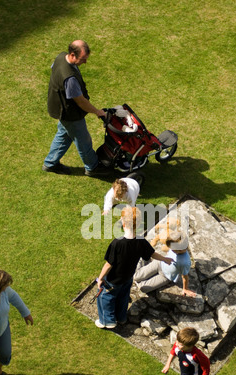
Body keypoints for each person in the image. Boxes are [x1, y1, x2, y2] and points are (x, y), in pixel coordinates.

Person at [95, 206, 173, 329]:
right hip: (128, 278)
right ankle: (121, 318)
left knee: (105, 297)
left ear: (123, 222)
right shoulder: (140, 241)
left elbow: (108, 264)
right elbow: (151, 253)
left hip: (113, 279)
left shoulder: (117, 243)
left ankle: (107, 321)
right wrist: (165, 259)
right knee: (123, 297)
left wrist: (100, 278)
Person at [42, 40, 107, 176]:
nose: (85, 62)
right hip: (70, 113)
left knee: (64, 135)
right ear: (72, 55)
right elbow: (80, 101)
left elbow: (54, 70)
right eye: (83, 59)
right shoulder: (69, 78)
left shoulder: (61, 57)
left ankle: (50, 163)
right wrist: (97, 112)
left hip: (60, 109)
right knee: (83, 141)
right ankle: (92, 167)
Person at [0, 269, 33, 375]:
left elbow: (14, 296)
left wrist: (25, 313)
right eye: (4, 285)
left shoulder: (4, 291)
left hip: (2, 329)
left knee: (5, 353)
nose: (7, 287)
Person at [134, 232, 196, 297]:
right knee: (136, 277)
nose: (170, 249)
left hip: (165, 276)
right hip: (159, 263)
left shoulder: (184, 262)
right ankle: (142, 259)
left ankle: (144, 266)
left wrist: (185, 289)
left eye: (172, 248)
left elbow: (185, 277)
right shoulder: (175, 245)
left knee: (143, 288)